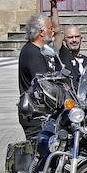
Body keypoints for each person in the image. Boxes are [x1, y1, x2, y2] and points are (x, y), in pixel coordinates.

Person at [18, 9, 61, 139]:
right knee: (40, 152)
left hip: (43, 114)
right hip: (36, 115)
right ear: (41, 32)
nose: (52, 31)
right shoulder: (32, 53)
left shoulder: (41, 50)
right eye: (50, 28)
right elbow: (45, 85)